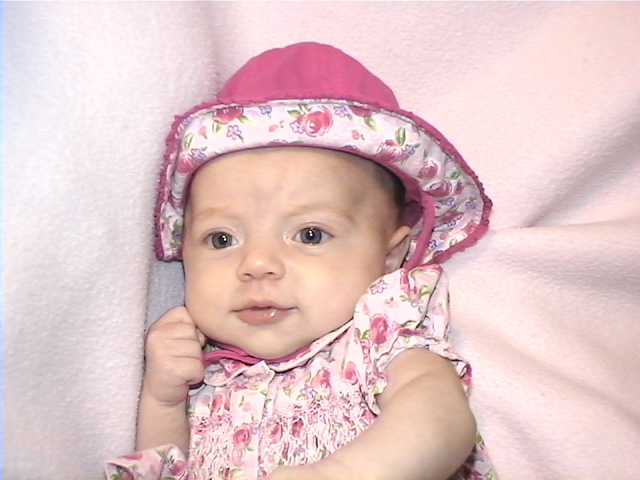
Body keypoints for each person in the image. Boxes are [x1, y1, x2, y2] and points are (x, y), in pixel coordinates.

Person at [105, 42, 496, 480]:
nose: (257, 264)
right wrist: (164, 400)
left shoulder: (379, 336)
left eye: (310, 234)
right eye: (221, 238)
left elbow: (441, 419)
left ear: (390, 257)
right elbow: (166, 466)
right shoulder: (206, 376)